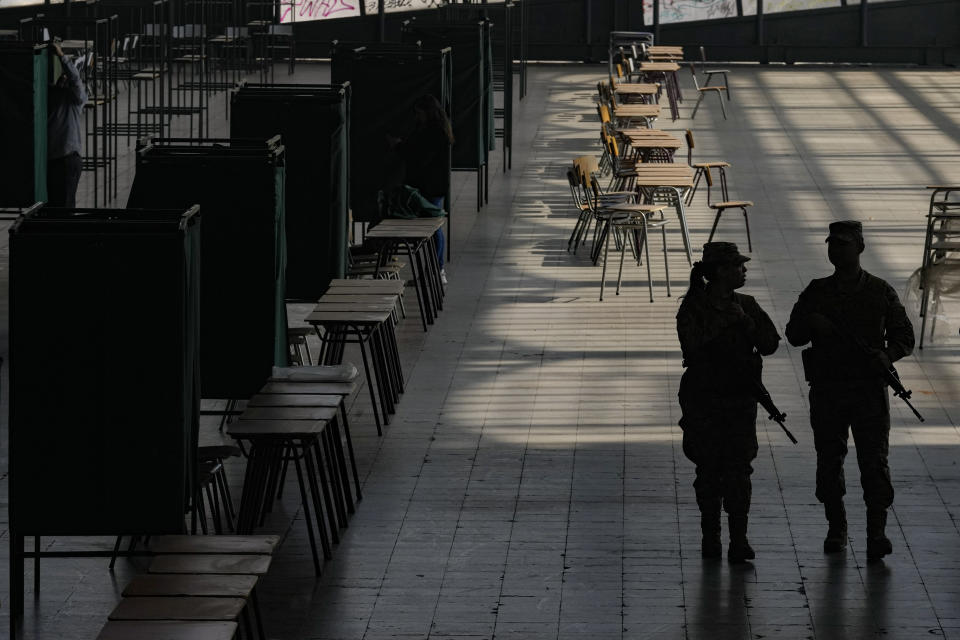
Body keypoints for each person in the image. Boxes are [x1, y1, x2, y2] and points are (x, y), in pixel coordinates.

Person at [785, 221, 914, 561]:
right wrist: (813, 322)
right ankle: (836, 527)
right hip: (828, 389)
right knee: (829, 460)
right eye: (832, 245)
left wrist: (885, 356)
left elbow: (904, 336)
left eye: (842, 244)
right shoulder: (817, 292)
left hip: (868, 390)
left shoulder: (879, 291)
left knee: (874, 462)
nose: (835, 250)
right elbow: (793, 334)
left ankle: (876, 532)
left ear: (859, 247)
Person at [676, 242, 781, 562]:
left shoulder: (747, 305)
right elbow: (690, 346)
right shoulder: (694, 306)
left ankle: (739, 538)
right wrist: (725, 321)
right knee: (708, 471)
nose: (744, 270)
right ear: (721, 271)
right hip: (705, 400)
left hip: (739, 401)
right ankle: (711, 536)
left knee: (739, 471)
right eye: (737, 266)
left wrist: (745, 321)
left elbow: (770, 343)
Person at [397, 94, 453, 284]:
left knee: (432, 228)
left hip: (429, 187)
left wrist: (399, 147)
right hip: (433, 187)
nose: (416, 117)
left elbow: (418, 155)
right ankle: (436, 270)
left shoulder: (433, 132)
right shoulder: (439, 130)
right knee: (434, 228)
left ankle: (436, 270)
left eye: (419, 113)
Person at [47, 40, 87, 207]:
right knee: (55, 206)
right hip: (54, 160)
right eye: (60, 78)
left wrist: (62, 56)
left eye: (65, 78)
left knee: (64, 207)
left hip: (68, 160)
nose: (63, 78)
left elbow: (75, 79)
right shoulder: (51, 99)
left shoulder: (75, 100)